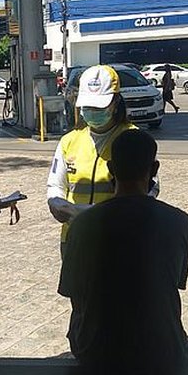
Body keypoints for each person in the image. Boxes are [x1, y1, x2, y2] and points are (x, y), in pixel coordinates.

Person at [58, 129, 188, 375]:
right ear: (154, 169)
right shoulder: (179, 222)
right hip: (160, 350)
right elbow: (173, 284)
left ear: (110, 168)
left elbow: (73, 293)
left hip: (96, 351)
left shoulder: (82, 225)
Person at [47, 65, 149, 255]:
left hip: (118, 240)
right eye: (88, 106)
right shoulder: (69, 141)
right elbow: (56, 185)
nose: (92, 111)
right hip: (75, 237)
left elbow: (150, 191)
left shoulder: (133, 139)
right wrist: (56, 204)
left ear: (116, 102)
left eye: (98, 106)